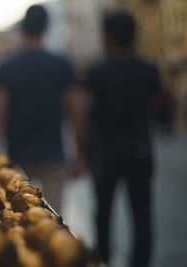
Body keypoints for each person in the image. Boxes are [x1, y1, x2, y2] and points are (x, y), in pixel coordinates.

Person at [83, 12, 164, 267]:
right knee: (141, 213)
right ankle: (141, 262)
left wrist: (83, 150)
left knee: (103, 214)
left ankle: (104, 259)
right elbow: (159, 105)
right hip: (139, 149)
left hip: (105, 152)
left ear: (108, 35)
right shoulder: (148, 69)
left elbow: (85, 113)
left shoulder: (98, 71)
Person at [0, 5, 86, 211]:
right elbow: (76, 113)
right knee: (54, 221)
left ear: (23, 28)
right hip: (53, 157)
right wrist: (81, 154)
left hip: (18, 158)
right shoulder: (61, 64)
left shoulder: (6, 67)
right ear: (46, 28)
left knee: (19, 219)